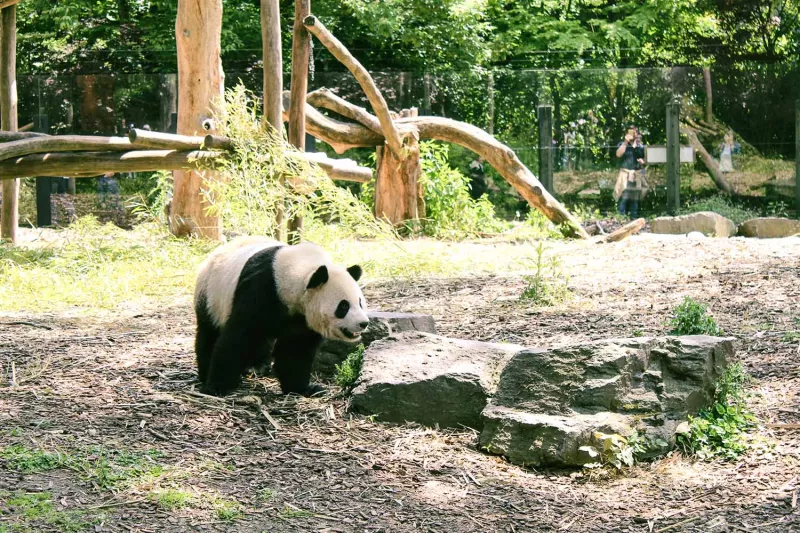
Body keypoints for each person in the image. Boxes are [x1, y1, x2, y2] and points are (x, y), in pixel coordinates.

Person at [614, 126, 648, 218]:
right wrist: (626, 142)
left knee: (635, 199)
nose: (632, 134)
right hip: (625, 175)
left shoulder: (640, 146)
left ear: (636, 134)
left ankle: (634, 218)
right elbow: (618, 154)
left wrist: (643, 163)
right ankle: (620, 218)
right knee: (623, 197)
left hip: (636, 174)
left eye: (634, 132)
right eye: (630, 132)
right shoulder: (622, 144)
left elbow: (645, 162)